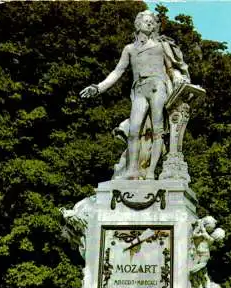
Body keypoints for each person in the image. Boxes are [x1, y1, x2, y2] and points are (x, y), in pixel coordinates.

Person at [80, 10, 190, 180]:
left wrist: (177, 77)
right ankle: (132, 170)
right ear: (138, 24)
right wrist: (98, 88)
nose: (149, 24)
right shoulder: (129, 49)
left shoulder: (161, 45)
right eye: (146, 21)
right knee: (133, 130)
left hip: (157, 86)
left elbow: (171, 68)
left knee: (157, 130)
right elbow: (117, 72)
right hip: (139, 90)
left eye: (152, 22)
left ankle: (151, 172)